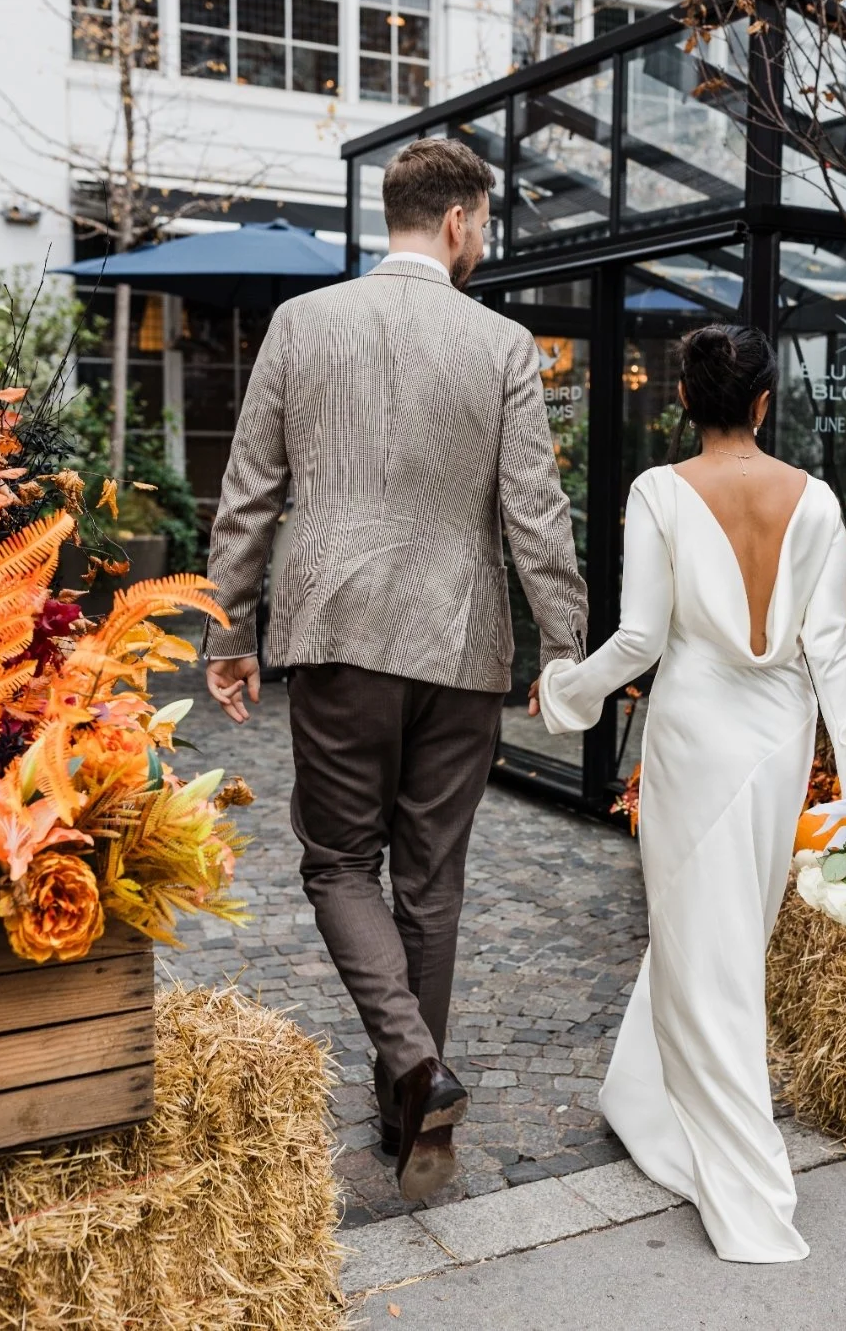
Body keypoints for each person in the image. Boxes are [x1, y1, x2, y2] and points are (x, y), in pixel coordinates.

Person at [202, 138, 588, 1202]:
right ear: (461, 221)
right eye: (488, 225)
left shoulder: (301, 325)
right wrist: (564, 646)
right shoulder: (505, 344)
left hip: (334, 632)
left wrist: (227, 634)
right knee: (430, 882)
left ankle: (415, 1070)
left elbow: (248, 496)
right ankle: (414, 1116)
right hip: (463, 646)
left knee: (336, 865)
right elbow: (535, 515)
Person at [534, 324, 846, 1262]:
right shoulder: (815, 501)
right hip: (780, 741)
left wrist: (565, 689)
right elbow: (830, 651)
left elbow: (639, 641)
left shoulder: (658, 491)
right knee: (730, 932)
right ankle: (646, 1097)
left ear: (684, 402)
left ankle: (743, 1180)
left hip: (694, 738)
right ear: (766, 402)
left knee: (706, 934)